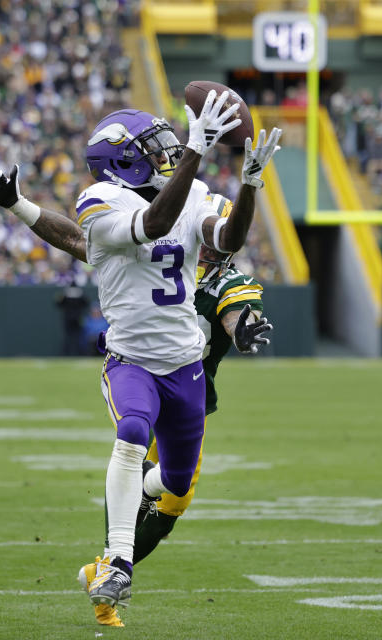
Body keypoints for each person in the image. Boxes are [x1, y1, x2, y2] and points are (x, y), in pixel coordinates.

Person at [0, 90, 282, 625]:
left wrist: (250, 185)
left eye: (167, 146)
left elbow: (227, 239)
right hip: (131, 359)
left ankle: (124, 522)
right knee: (132, 432)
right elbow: (151, 226)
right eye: (152, 148)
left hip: (184, 366)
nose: (165, 154)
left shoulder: (191, 189)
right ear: (122, 160)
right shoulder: (101, 200)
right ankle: (116, 561)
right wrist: (194, 152)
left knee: (176, 484)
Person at [77, 194, 272, 627]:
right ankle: (111, 567)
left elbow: (236, 310)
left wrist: (243, 327)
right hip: (142, 377)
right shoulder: (153, 254)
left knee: (174, 500)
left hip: (189, 393)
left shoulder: (227, 281)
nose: (206, 249)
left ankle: (101, 567)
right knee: (129, 450)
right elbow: (85, 242)